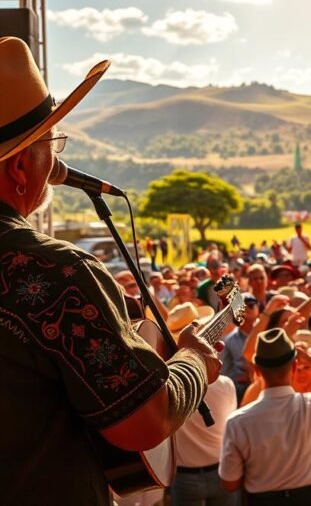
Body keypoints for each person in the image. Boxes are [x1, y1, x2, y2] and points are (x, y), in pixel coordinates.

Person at [0, 38, 221, 505]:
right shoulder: (54, 274)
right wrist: (195, 362)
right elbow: (146, 421)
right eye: (50, 140)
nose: (56, 159)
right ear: (21, 166)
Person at [219, 329, 311, 504]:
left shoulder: (237, 422)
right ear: (294, 366)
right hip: (307, 499)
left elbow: (230, 483)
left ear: (257, 371)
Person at [172, 374, 239, 506]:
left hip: (185, 477)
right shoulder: (226, 384)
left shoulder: (170, 386)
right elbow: (231, 428)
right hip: (221, 473)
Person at [221, 295, 259, 403]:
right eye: (242, 307)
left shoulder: (266, 331)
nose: (246, 310)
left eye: (251, 305)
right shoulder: (229, 341)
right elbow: (226, 374)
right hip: (243, 389)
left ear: (258, 308)